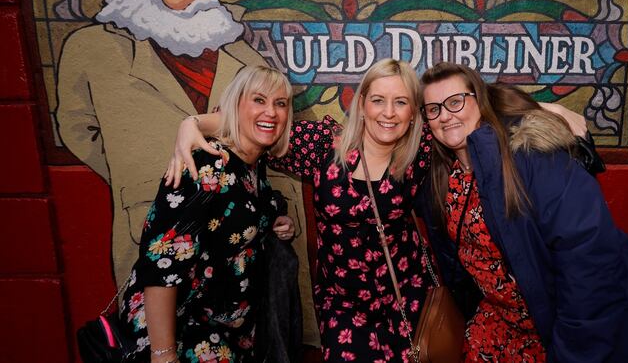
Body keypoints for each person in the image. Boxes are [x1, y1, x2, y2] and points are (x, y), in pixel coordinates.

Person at [165, 60, 593, 362]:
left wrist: (543, 109)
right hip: (344, 302)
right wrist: (192, 124)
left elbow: (470, 108)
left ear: (412, 115)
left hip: (407, 294)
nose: (388, 113)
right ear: (362, 103)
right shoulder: (322, 145)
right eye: (378, 100)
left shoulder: (420, 147)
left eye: (401, 103)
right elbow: (256, 125)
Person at [417, 62, 628, 362]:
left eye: (455, 101)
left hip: (567, 326)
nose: (445, 115)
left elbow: (589, 265)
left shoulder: (532, 157)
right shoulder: (445, 176)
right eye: (433, 109)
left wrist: (572, 353)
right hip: (502, 318)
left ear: (480, 98)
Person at [55, 0, 273, 286]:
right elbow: (78, 126)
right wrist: (136, 173)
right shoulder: (94, 48)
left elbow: (271, 122)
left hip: (235, 229)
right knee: (156, 322)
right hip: (152, 215)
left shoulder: (239, 51)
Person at [118, 65, 297, 362]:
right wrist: (164, 355)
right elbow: (162, 264)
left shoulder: (252, 165)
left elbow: (246, 211)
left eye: (280, 103)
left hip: (226, 330)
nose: (271, 112)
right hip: (185, 331)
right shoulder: (206, 166)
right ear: (234, 105)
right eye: (259, 100)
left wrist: (279, 220)